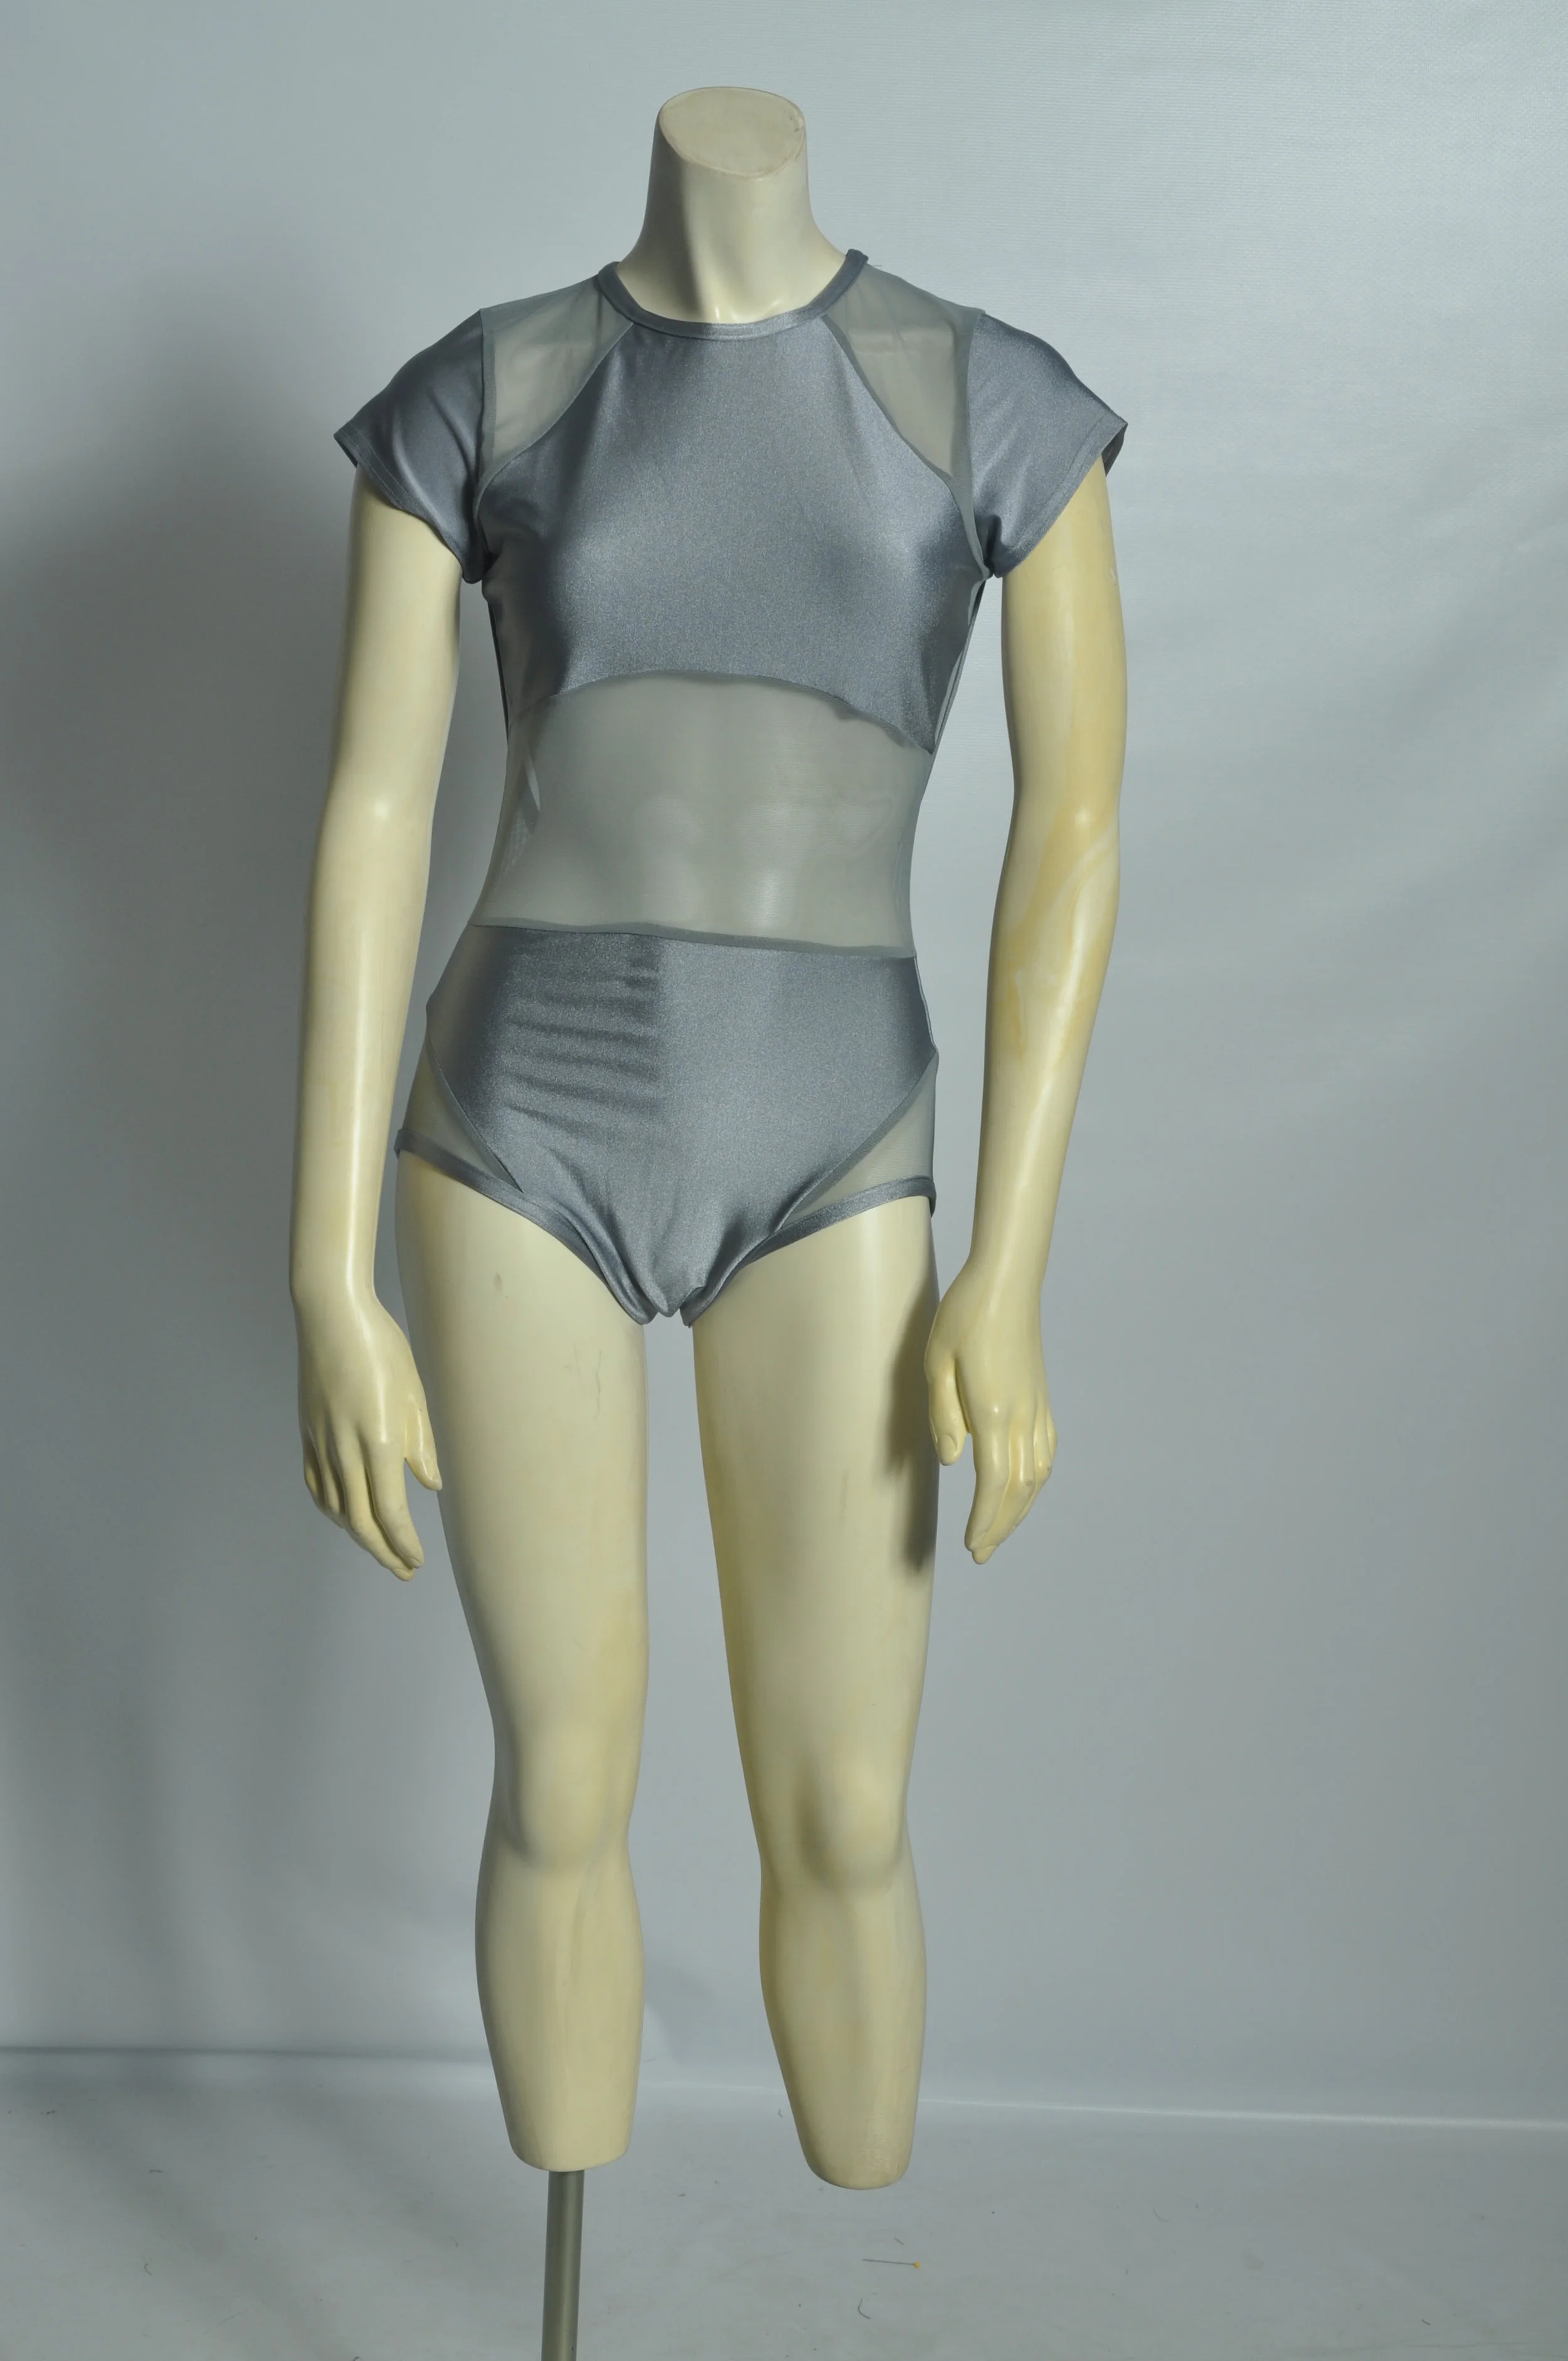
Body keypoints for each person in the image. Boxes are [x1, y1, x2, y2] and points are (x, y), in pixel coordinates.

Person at [290, 83, 1126, 2192]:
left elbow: (1074, 827)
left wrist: (1009, 1263)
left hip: (833, 1133)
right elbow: (372, 815)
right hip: (517, 1123)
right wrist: (324, 1270)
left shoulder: (982, 398)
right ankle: (571, 2258)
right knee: (562, 1776)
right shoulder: (489, 391)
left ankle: (858, 2252)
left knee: (843, 1807)